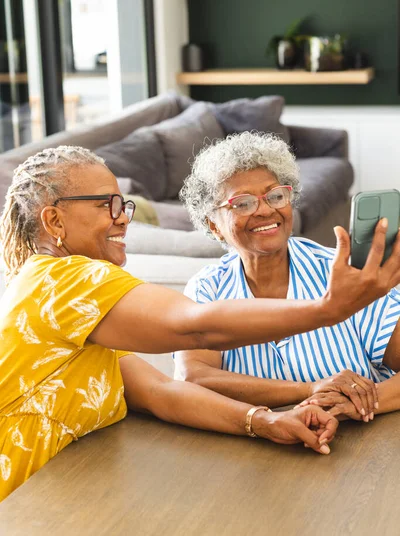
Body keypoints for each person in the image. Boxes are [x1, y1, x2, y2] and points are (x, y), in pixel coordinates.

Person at [1, 146, 399, 502]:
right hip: (18, 513)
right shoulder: (63, 280)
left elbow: (160, 391)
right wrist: (328, 309)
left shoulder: (79, 314)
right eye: (107, 205)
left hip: (42, 502)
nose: (123, 219)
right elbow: (194, 328)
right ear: (54, 221)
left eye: (124, 206)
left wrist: (267, 421)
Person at [176, 131, 400, 423]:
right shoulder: (207, 289)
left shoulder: (343, 272)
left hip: (362, 442)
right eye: (242, 203)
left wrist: (361, 404)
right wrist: (307, 390)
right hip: (255, 449)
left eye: (276, 195)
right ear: (214, 225)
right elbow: (194, 378)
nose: (266, 210)